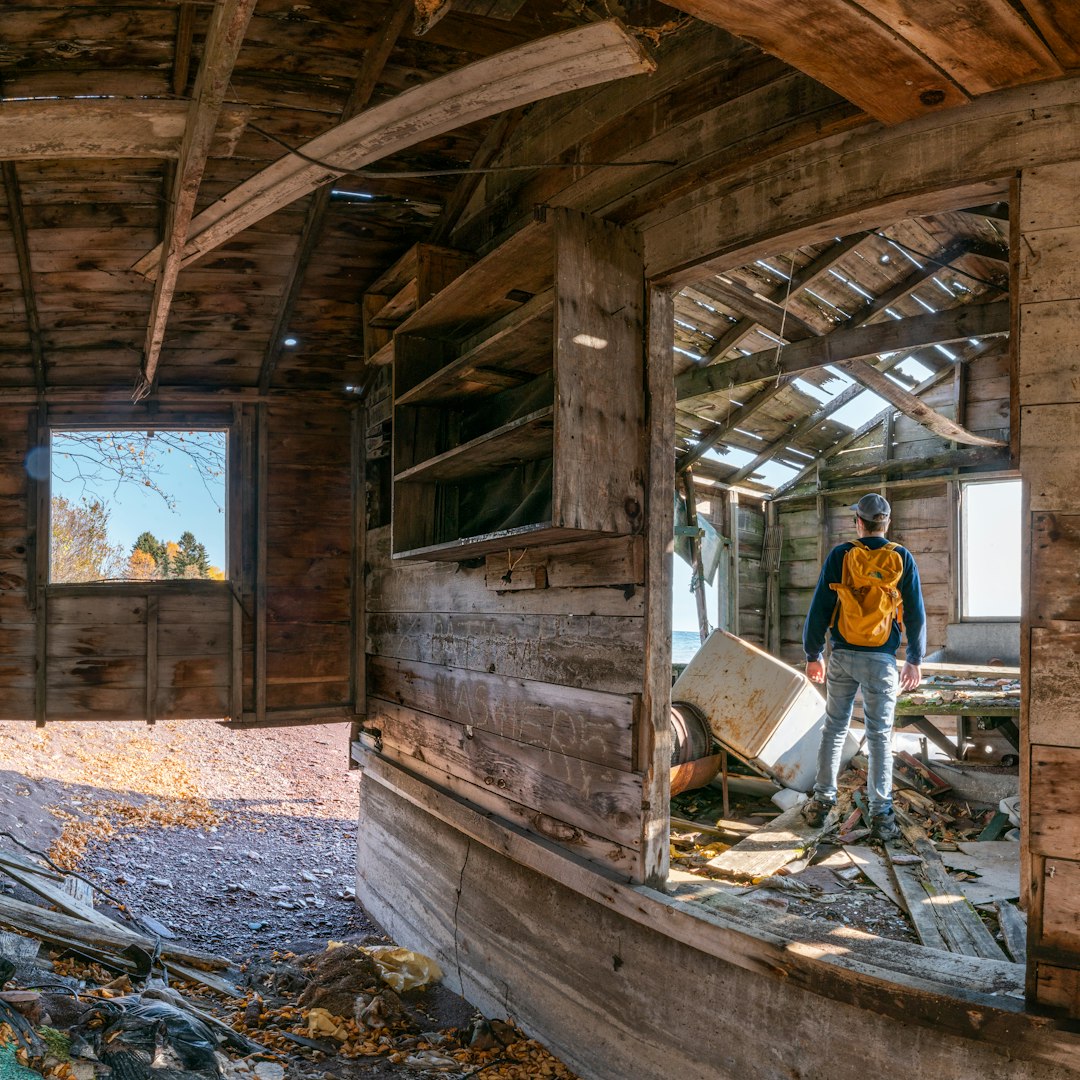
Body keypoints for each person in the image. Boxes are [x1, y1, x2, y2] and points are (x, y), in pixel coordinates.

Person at [800, 492, 925, 841]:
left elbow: (819, 607)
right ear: (887, 523)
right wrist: (914, 659)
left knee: (835, 728)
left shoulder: (841, 554)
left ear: (858, 521)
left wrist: (813, 654)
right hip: (882, 660)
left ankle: (822, 802)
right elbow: (915, 613)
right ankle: (881, 814)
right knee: (881, 737)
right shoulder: (901, 557)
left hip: (841, 656)